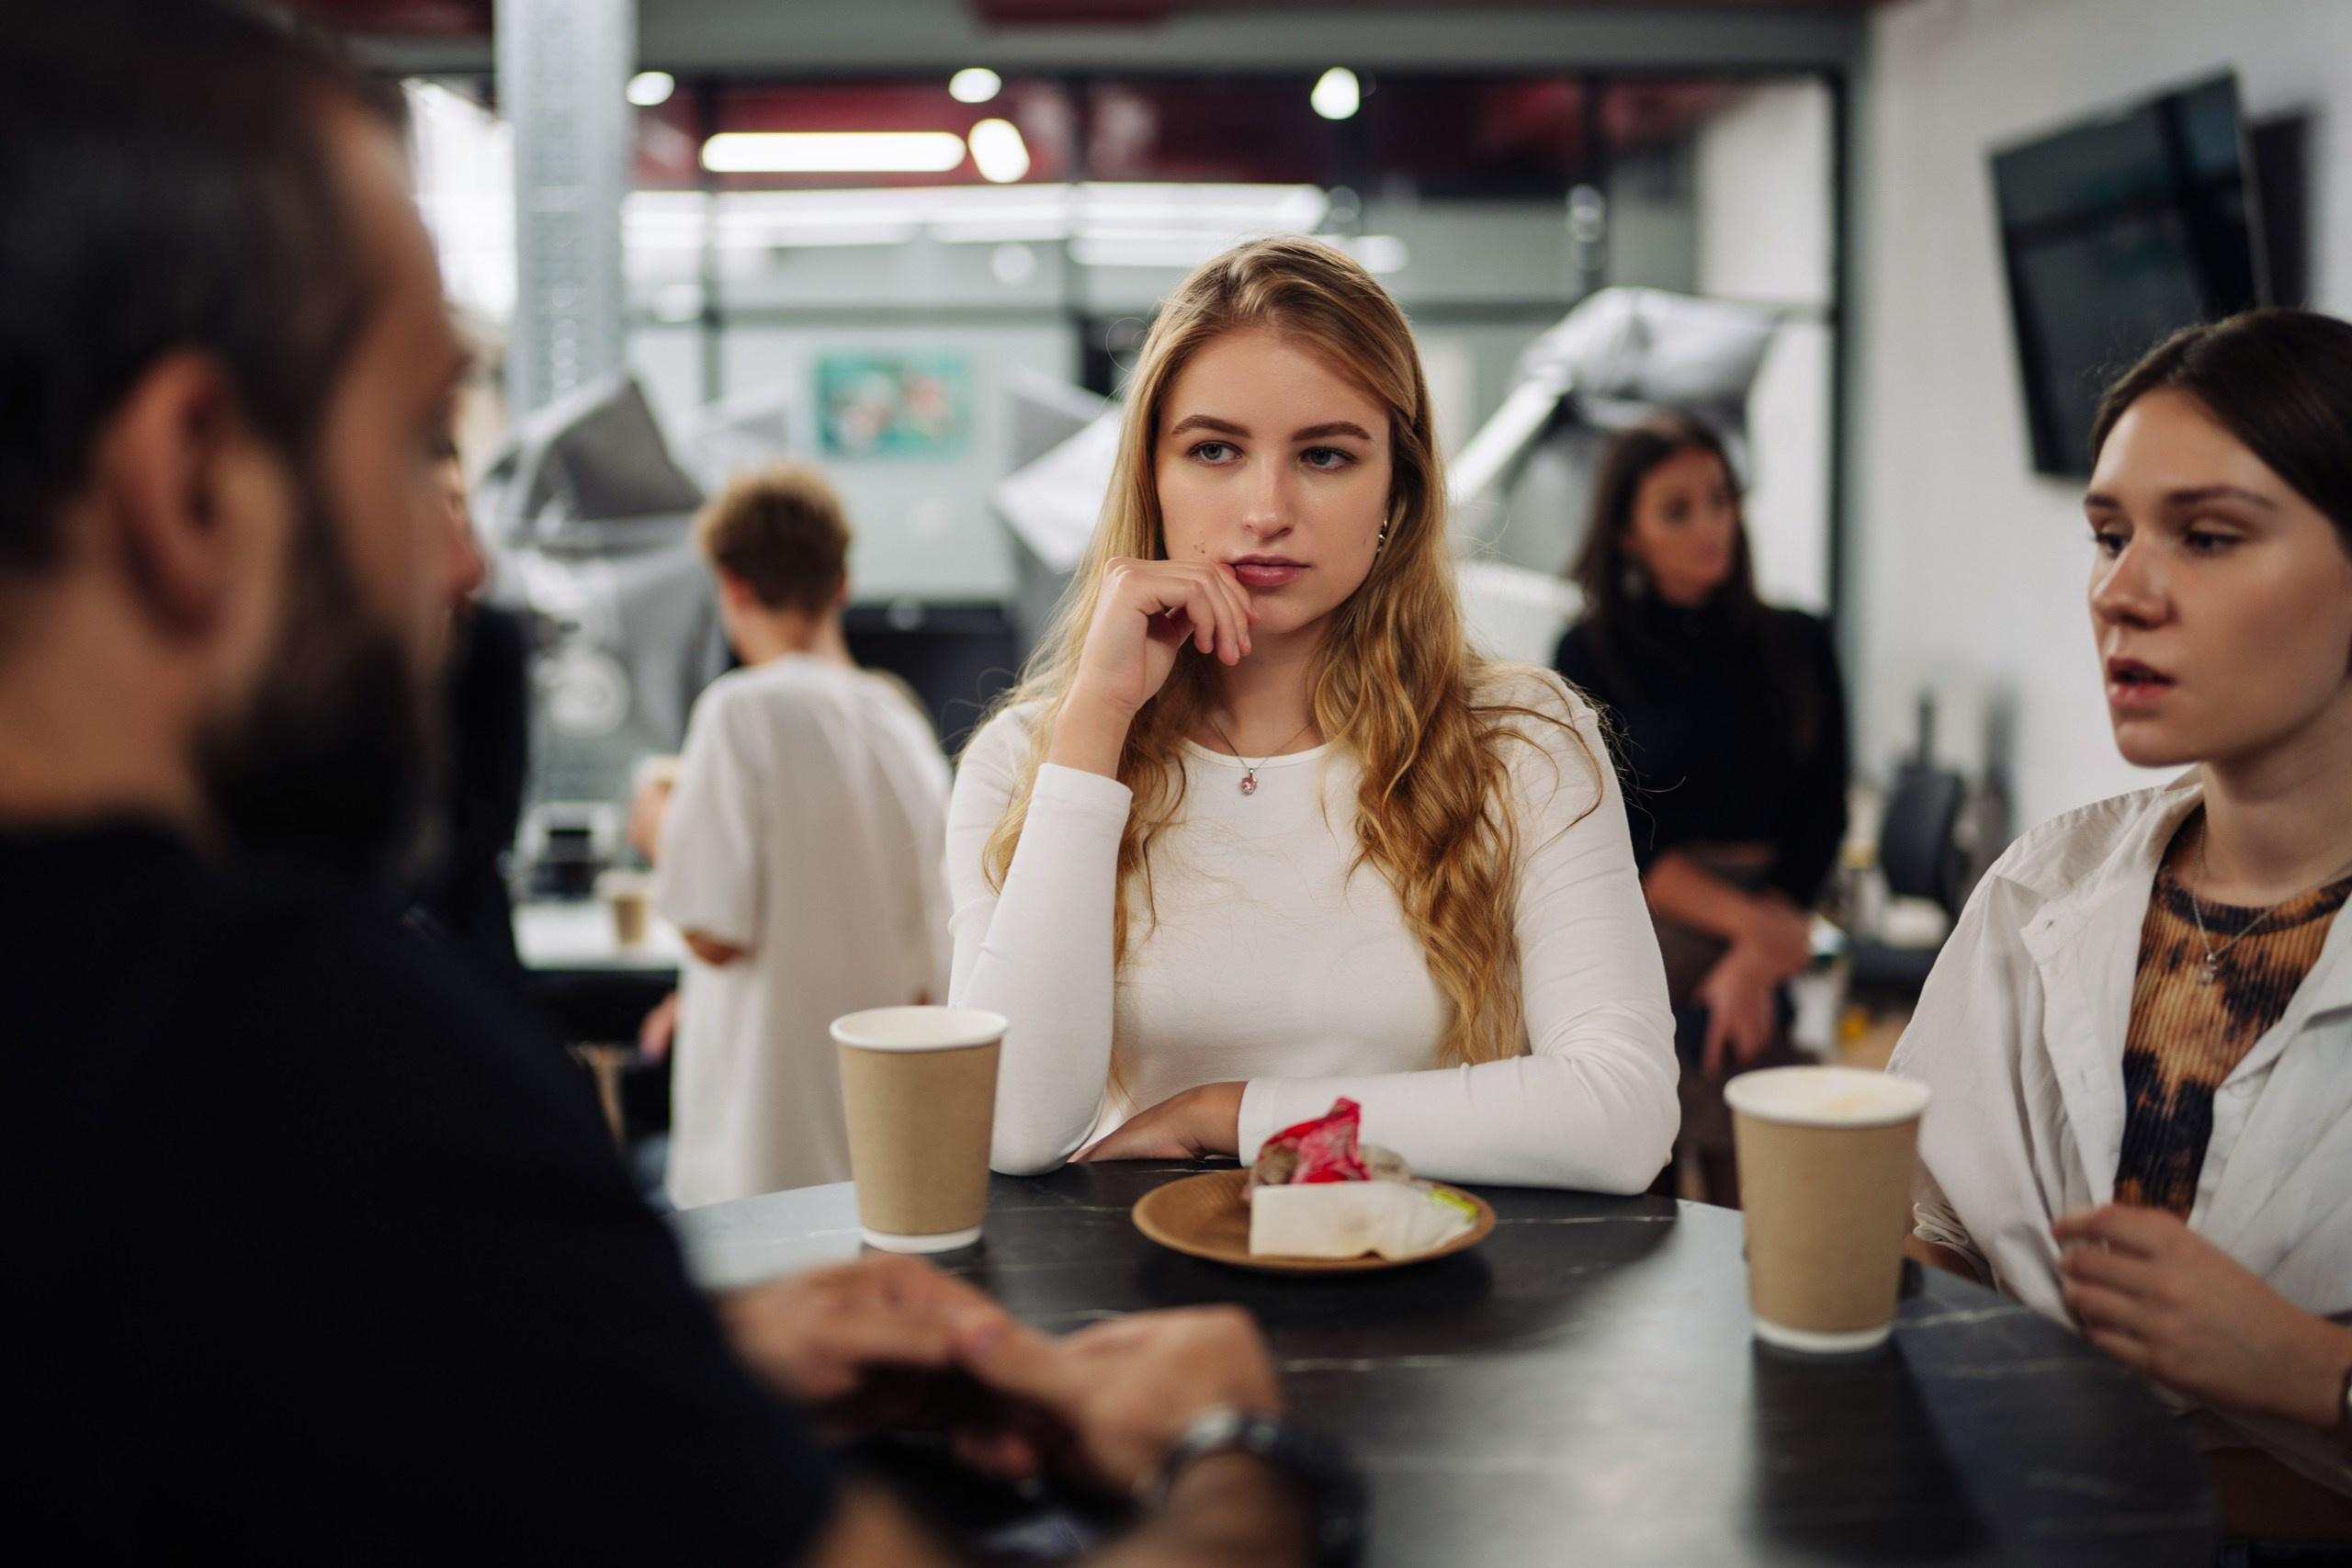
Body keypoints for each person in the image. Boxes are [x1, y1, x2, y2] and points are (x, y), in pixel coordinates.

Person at [0, 6, 1339, 1563]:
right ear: (191, 479)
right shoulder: (291, 1066)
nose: (458, 558)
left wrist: (654, 1352)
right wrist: (1247, 1455)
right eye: (418, 436)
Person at [948, 237, 1679, 1189]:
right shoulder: (1027, 759)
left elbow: (1621, 1114)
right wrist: (1096, 724)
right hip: (1139, 1308)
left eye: (1324, 455)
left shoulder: (1520, 741)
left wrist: (1234, 1115)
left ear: (1396, 495)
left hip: (1432, 1306)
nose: (1266, 508)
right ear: (1151, 480)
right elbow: (1007, 1128)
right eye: (1214, 449)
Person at [1888, 310, 2352, 1542]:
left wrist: (2316, 1373)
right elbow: (1926, 1228)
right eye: (2107, 535)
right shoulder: (2045, 885)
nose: (2120, 592)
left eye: (2205, 536)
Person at [1551, 412, 1849, 1205]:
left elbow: (1823, 810)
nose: (1711, 524)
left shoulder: (1800, 642)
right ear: (1626, 531)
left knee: (1747, 1172)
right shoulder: (1588, 650)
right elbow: (1612, 825)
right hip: (1647, 914)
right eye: (1677, 509)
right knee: (1639, 1159)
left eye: (1720, 499)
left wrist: (1757, 949)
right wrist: (1754, 933)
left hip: (1771, 912)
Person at [647, 462, 955, 1207]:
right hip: (882, 1139)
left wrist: (661, 827)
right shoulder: (899, 717)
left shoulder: (741, 711)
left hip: (768, 1150)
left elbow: (712, 934)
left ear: (734, 586)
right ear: (842, 581)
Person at [408, 428, 534, 1007]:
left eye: (459, 501)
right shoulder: (346, 658)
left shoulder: (491, 640)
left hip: (468, 940)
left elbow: (491, 812)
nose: (452, 521)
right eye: (436, 500)